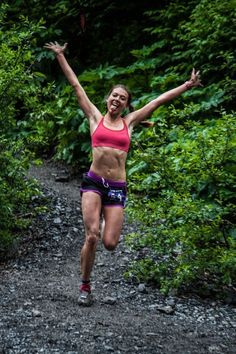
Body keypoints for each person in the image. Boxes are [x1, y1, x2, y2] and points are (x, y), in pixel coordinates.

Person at [44, 41, 202, 306]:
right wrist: (60, 56)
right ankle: (85, 286)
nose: (117, 100)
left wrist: (187, 85)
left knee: (110, 243)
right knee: (91, 236)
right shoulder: (95, 117)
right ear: (108, 98)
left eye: (122, 98)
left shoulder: (130, 122)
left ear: (126, 104)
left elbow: (159, 100)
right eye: (114, 95)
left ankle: (105, 222)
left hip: (117, 186)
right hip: (93, 182)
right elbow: (76, 86)